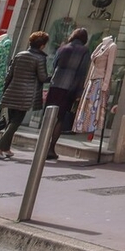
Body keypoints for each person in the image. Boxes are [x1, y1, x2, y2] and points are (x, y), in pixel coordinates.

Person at [0, 31, 50, 160]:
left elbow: (9, 75)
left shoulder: (19, 55)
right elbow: (42, 77)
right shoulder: (40, 58)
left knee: (11, 120)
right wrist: (51, 78)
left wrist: (4, 91)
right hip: (26, 94)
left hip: (12, 91)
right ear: (42, 45)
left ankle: (6, 148)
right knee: (16, 122)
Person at [43, 28, 90, 162]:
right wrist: (79, 91)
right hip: (69, 87)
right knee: (60, 118)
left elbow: (54, 64)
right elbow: (82, 71)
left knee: (49, 116)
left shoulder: (63, 48)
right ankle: (51, 148)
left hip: (56, 84)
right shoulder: (84, 51)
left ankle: (42, 146)